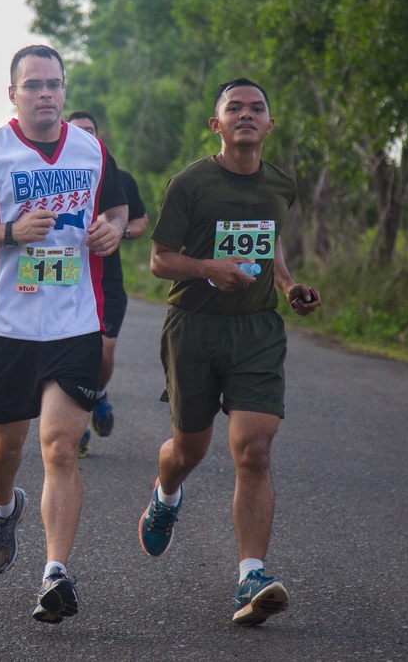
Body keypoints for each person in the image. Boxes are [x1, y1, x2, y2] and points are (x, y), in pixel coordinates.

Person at [0, 45, 128, 624]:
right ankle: (3, 508)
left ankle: (55, 574)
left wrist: (111, 232)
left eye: (54, 84)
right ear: (12, 93)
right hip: (8, 323)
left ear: (65, 91)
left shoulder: (92, 150)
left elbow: (116, 211)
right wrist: (10, 232)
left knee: (62, 447)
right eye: (33, 85)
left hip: (75, 322)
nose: (45, 93)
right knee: (6, 448)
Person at [137, 77, 321, 626]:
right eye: (234, 108)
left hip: (256, 331)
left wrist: (287, 286)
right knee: (188, 449)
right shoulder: (190, 184)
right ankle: (166, 492)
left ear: (269, 125)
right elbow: (159, 260)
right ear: (216, 125)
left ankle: (251, 576)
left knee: (254, 451)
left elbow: (271, 241)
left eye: (256, 108)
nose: (246, 114)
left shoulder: (281, 185)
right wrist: (208, 269)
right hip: (192, 329)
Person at [66, 111, 149, 456]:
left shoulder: (117, 177)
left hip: (107, 282)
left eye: (90, 131)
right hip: (68, 281)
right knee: (72, 357)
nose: (85, 136)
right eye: (77, 131)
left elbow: (141, 222)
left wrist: (118, 230)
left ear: (98, 137)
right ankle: (76, 425)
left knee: (104, 350)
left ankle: (98, 395)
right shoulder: (58, 179)